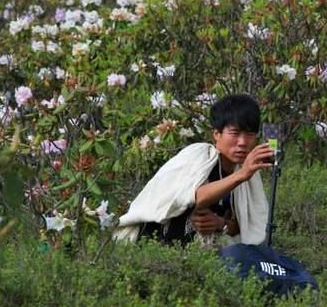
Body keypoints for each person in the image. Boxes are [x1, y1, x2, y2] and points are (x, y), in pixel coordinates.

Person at [113, 94, 274, 247]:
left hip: (203, 256)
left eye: (250, 135)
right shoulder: (199, 155)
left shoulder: (246, 172)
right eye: (235, 133)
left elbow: (249, 224)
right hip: (154, 243)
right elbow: (193, 196)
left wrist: (221, 224)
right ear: (216, 134)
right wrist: (242, 175)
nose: (242, 142)